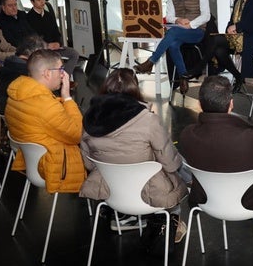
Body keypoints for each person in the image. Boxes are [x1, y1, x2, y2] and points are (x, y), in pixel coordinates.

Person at [79, 68, 188, 239]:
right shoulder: (147, 120)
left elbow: (89, 163)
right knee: (174, 167)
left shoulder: (89, 120)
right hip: (150, 192)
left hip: (111, 192)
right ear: (135, 90)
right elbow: (169, 162)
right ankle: (173, 224)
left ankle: (126, 218)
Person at [180, 75, 253, 238]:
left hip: (209, 201)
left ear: (199, 104)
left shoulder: (187, 135)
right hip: (251, 202)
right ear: (231, 104)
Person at [5, 49, 85, 193]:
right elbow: (77, 134)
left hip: (31, 162)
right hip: (51, 166)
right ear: (47, 73)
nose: (63, 73)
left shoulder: (17, 94)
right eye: (60, 69)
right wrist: (67, 97)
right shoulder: (45, 105)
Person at [186, 0, 253, 94]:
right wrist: (230, 28)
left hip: (252, 39)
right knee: (218, 50)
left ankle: (198, 68)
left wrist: (237, 26)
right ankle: (238, 76)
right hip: (237, 38)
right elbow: (232, 20)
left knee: (215, 40)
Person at [134, 0, 210, 94]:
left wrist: (190, 24)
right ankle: (183, 77)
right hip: (179, 30)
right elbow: (169, 16)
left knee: (172, 33)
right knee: (173, 45)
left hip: (197, 31)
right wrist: (178, 20)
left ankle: (151, 61)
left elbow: (206, 16)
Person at [26, 0, 80, 82]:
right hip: (41, 49)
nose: (42, 2)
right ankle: (56, 80)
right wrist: (47, 45)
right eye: (39, 0)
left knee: (74, 54)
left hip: (55, 47)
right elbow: (32, 37)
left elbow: (56, 31)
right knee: (54, 60)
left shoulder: (49, 15)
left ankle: (64, 78)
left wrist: (58, 43)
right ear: (32, 2)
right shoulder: (28, 18)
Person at [0, 34, 46, 115]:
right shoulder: (24, 69)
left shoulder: (12, 62)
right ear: (31, 52)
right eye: (42, 54)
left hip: (6, 107)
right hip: (15, 112)